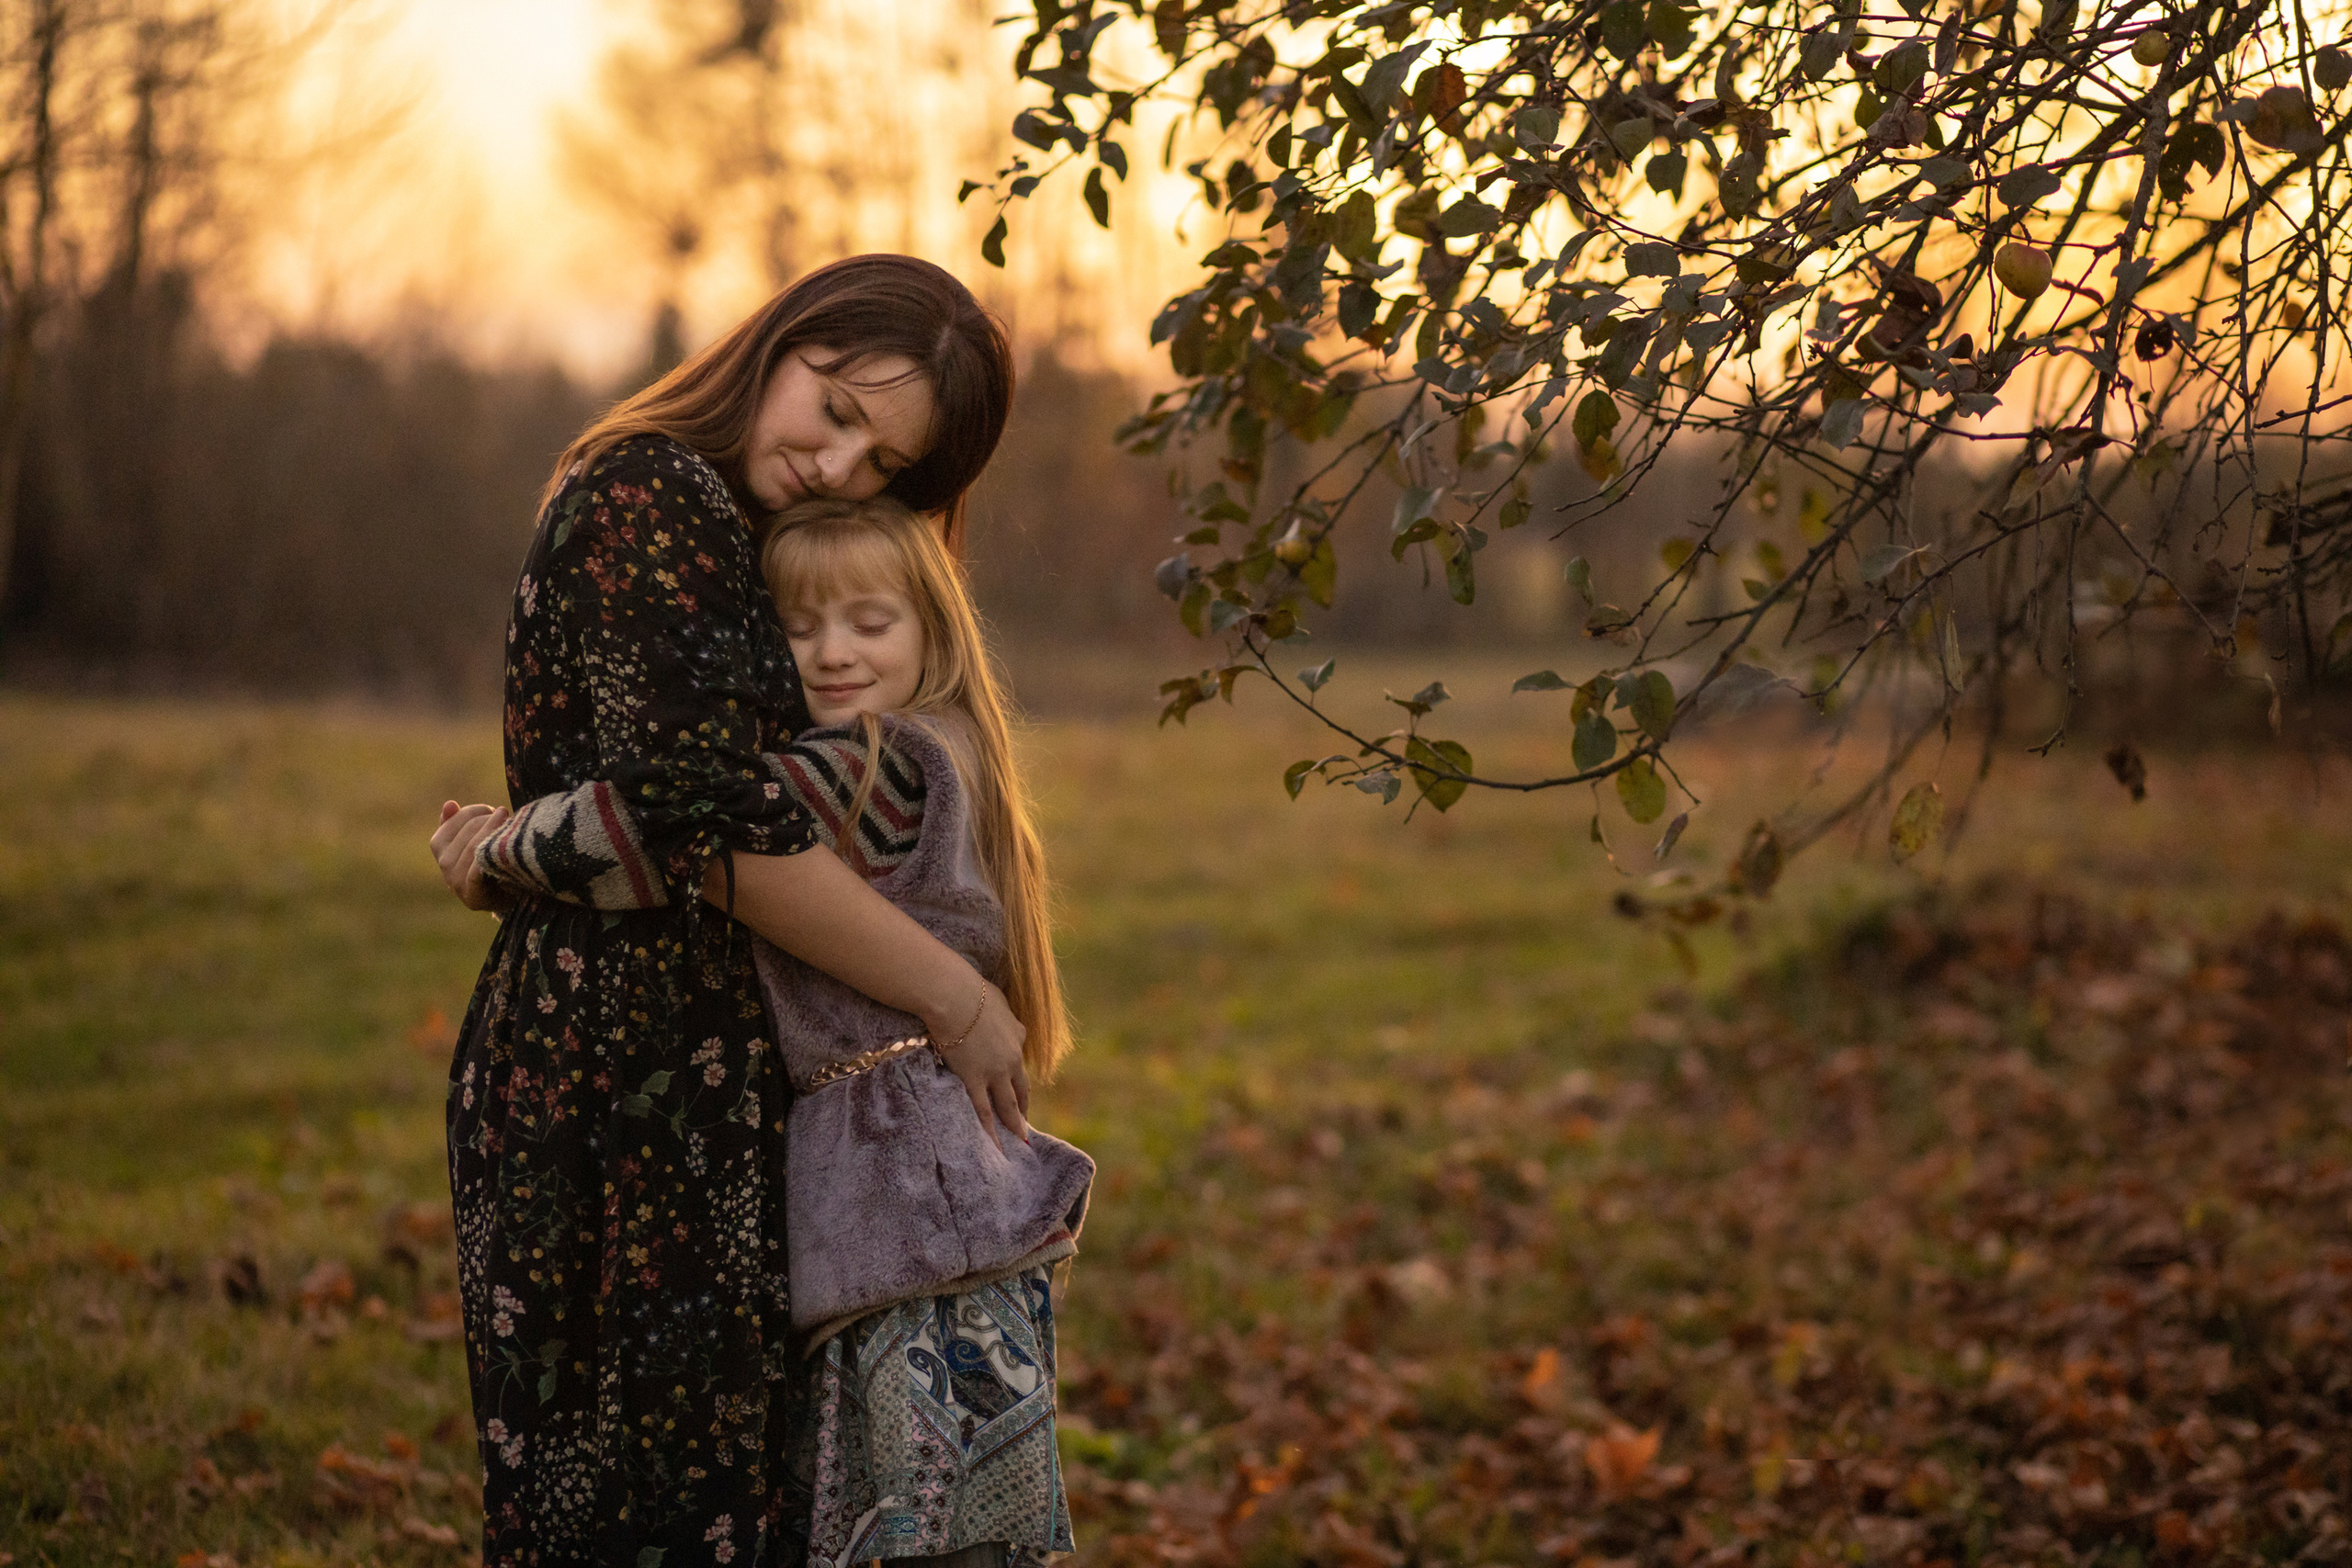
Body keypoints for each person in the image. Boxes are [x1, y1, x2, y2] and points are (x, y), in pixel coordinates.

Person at [425, 254, 1024, 1568]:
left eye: (884, 465)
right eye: (840, 406)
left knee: (718, 1515)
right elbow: (700, 828)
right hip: (612, 1092)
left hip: (698, 1092)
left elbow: (695, 801)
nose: (840, 464)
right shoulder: (653, 493)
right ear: (786, 337)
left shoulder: (739, 527)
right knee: (630, 1521)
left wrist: (519, 846)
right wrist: (956, 995)